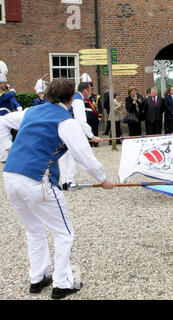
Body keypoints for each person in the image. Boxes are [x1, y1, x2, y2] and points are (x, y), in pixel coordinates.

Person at [0, 78, 114, 299]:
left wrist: (7, 149)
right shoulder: (66, 121)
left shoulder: (30, 112)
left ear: (49, 94)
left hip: (11, 176)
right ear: (71, 97)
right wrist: (103, 179)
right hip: (37, 180)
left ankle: (38, 277)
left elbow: (2, 122)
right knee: (65, 233)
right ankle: (62, 283)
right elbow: (83, 156)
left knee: (34, 229)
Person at [59, 82, 101, 190]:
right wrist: (91, 136)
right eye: (90, 90)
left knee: (64, 155)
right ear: (85, 90)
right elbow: (81, 121)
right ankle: (70, 181)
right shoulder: (78, 101)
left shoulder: (72, 98)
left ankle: (64, 181)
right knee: (72, 155)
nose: (91, 92)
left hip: (62, 129)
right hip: (71, 130)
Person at [80, 74, 102, 147]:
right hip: (87, 115)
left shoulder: (96, 97)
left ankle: (96, 143)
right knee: (88, 129)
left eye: (91, 89)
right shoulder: (83, 98)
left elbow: (100, 107)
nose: (90, 91)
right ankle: (90, 142)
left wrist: (99, 115)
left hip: (94, 115)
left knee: (95, 129)